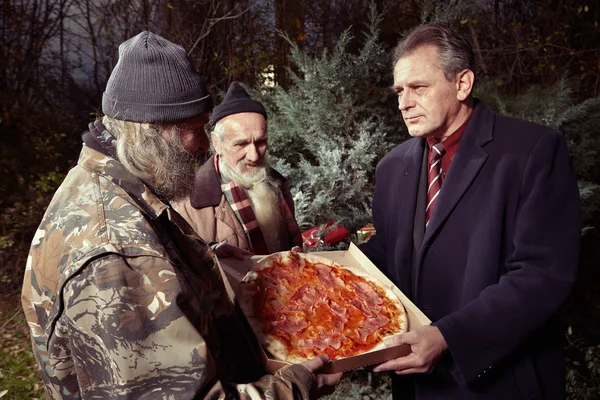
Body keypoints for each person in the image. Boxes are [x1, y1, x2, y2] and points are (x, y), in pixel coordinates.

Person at [21, 31, 341, 399]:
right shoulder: (118, 254)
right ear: (152, 132)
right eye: (194, 129)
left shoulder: (105, 182)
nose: (205, 145)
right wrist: (295, 387)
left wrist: (207, 263)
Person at [360, 24, 580, 399]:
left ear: (462, 84)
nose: (403, 102)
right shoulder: (392, 167)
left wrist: (448, 337)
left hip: (499, 383)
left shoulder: (533, 151)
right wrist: (317, 275)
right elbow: (387, 258)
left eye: (419, 87)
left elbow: (541, 275)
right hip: (417, 386)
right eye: (399, 90)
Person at [174, 81, 303, 254]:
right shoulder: (188, 203)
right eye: (241, 144)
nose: (254, 155)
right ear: (217, 143)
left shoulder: (277, 184)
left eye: (261, 142)